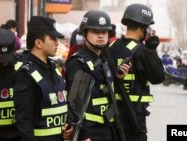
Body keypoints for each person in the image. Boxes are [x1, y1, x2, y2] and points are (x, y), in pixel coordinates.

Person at [65, 10, 130, 141]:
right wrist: (84, 135)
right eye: (95, 32)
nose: (101, 36)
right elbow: (75, 103)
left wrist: (118, 78)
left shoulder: (104, 60)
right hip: (91, 132)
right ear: (84, 33)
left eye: (104, 32)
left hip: (109, 128)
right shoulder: (78, 61)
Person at [108, 3, 165, 141]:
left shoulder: (110, 47)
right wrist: (152, 49)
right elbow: (158, 77)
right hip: (134, 117)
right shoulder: (143, 51)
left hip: (112, 115)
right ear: (143, 27)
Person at [13, 16, 72, 141]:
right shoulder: (26, 73)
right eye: (52, 39)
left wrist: (68, 126)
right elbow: (24, 120)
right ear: (38, 43)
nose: (57, 43)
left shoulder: (53, 67)